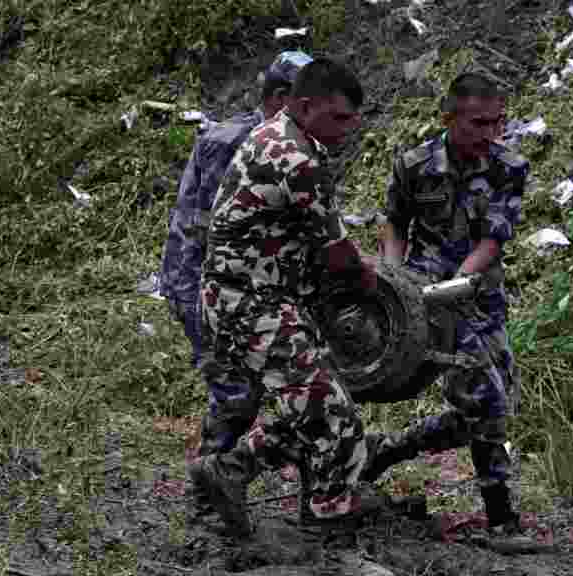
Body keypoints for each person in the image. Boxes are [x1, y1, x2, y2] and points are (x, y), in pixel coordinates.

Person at [186, 57, 383, 537]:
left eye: (352, 119)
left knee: (316, 406)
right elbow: (337, 254)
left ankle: (232, 469)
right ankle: (332, 541)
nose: (347, 129)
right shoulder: (298, 160)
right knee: (337, 422)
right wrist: (377, 286)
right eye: (338, 118)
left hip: (247, 299)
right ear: (303, 103)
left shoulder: (275, 132)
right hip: (251, 306)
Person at [365, 71, 528, 534]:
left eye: (497, 123)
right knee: (488, 404)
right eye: (478, 123)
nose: (490, 134)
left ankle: (389, 449)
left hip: (478, 298)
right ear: (449, 118)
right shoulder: (414, 163)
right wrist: (393, 280)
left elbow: (493, 239)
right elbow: (394, 222)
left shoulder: (508, 167)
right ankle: (501, 519)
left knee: (487, 409)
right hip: (423, 303)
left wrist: (458, 282)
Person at [158, 51, 312, 461]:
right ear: (281, 98)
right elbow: (206, 232)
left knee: (272, 385)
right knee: (237, 394)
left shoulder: (289, 146)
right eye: (309, 100)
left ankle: (220, 479)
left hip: (245, 288)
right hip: (200, 285)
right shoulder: (228, 143)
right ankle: (208, 494)